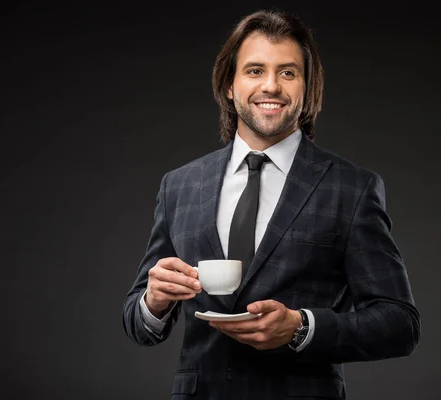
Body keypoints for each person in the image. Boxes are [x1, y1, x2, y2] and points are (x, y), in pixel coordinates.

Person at [122, 8, 420, 400]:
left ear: (306, 88)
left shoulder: (351, 189)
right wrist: (154, 302)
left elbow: (400, 324)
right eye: (255, 70)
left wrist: (302, 327)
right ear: (229, 85)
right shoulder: (179, 185)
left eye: (288, 72)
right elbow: (138, 323)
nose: (271, 87)